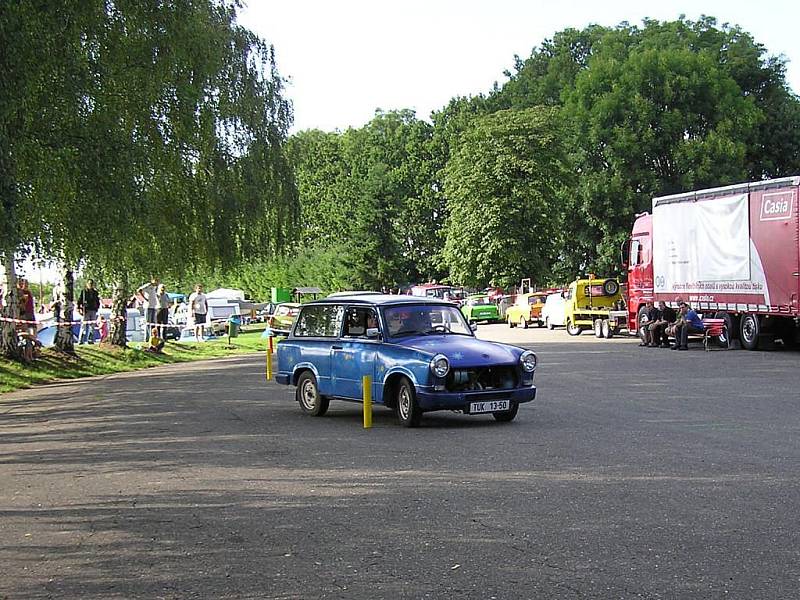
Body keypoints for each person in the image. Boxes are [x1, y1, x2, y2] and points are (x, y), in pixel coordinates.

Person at [77, 279, 101, 344]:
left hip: (93, 310)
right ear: (87, 284)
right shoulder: (84, 292)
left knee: (92, 326)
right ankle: (81, 340)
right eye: (89, 283)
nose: (90, 285)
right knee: (83, 326)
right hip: (86, 311)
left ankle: (90, 340)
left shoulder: (95, 292)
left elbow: (97, 301)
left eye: (91, 284)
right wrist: (79, 309)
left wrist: (96, 308)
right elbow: (79, 301)